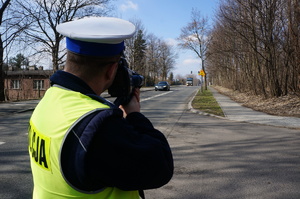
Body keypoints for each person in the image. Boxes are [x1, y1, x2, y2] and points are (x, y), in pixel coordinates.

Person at [28, 17, 173, 199]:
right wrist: (134, 115)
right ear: (111, 70)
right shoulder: (98, 128)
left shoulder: (49, 100)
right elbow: (161, 167)